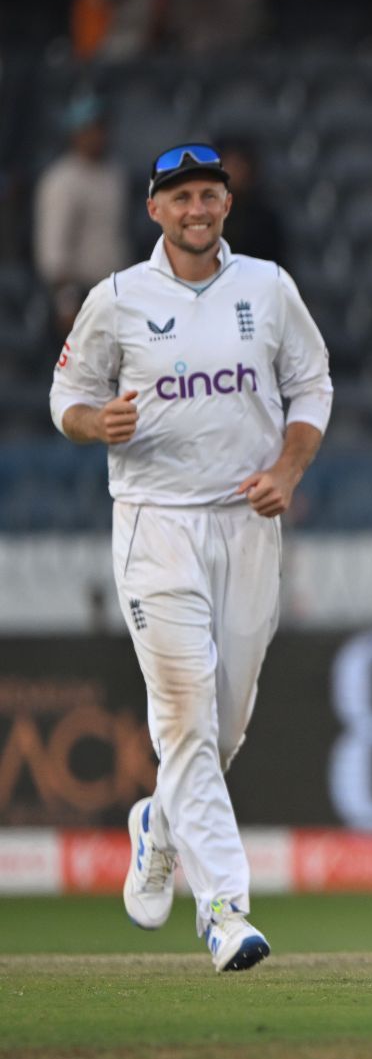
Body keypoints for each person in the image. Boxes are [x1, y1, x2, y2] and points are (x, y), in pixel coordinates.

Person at [48, 143, 332, 971]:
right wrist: (95, 424)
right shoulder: (118, 299)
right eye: (180, 198)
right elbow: (67, 395)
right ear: (155, 210)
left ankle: (158, 824)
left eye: (208, 194)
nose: (196, 209)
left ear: (225, 204)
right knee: (184, 717)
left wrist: (287, 468)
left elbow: (311, 383)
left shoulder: (268, 288)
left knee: (226, 722)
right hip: (156, 524)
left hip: (247, 523)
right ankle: (225, 909)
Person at [34, 98, 126, 343]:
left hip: (115, 290)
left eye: (99, 128)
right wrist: (66, 302)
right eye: (88, 129)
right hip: (80, 296)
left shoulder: (113, 173)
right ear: (75, 134)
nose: (95, 135)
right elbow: (53, 250)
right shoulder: (61, 179)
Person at [211, 138, 287, 265]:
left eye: (240, 165)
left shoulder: (265, 220)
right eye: (230, 164)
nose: (235, 172)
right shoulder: (205, 215)